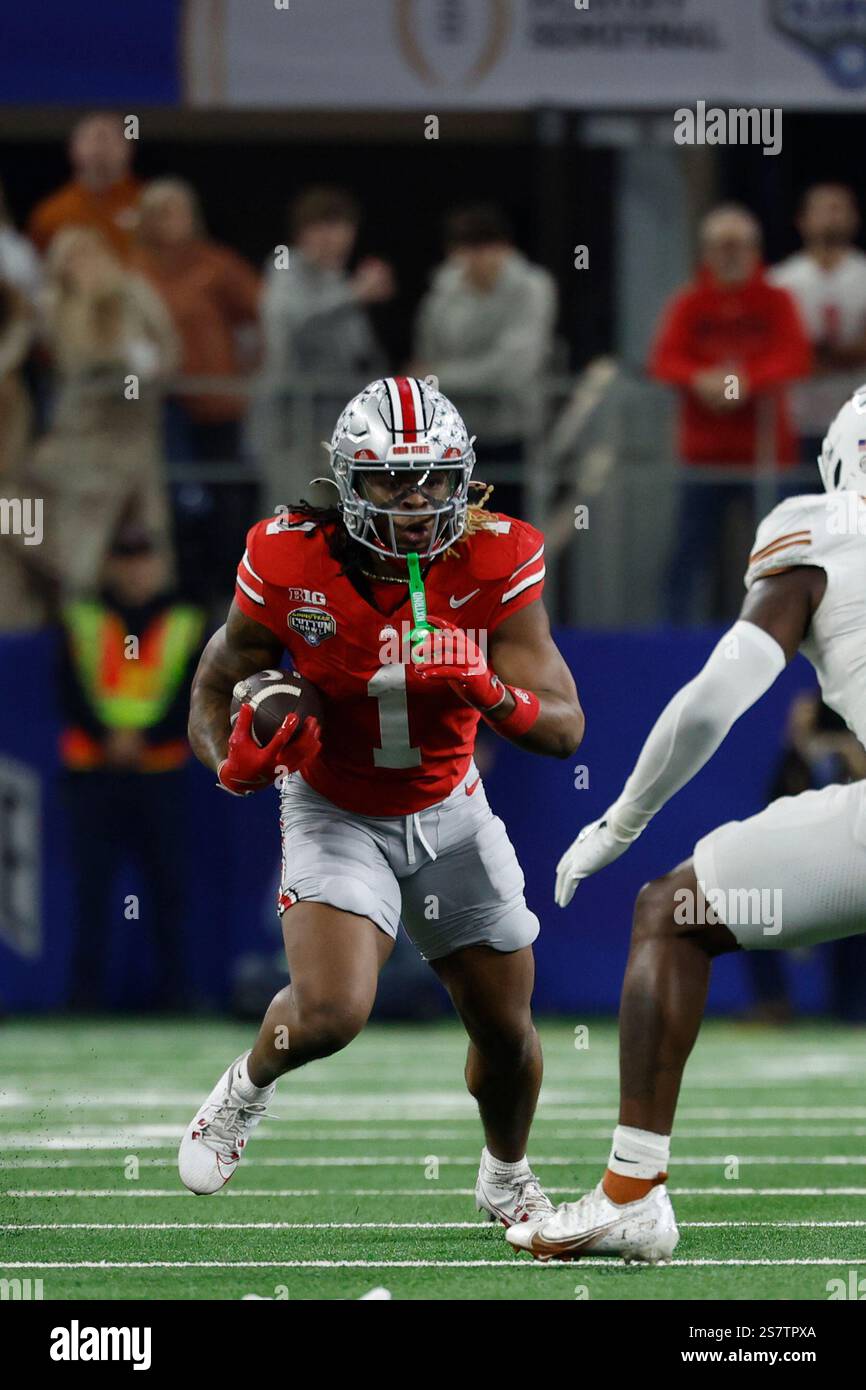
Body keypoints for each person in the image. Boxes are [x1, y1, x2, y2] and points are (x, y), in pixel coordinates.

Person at [180, 375, 585, 1227]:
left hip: (450, 805)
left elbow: (564, 729)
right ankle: (245, 1090)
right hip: (335, 805)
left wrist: (484, 686)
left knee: (507, 1033)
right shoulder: (287, 557)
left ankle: (506, 1174)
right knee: (330, 1013)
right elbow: (217, 678)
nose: (416, 499)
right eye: (391, 480)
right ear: (347, 482)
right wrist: (232, 765)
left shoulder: (498, 556)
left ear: (461, 476)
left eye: (434, 478)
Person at [507, 385, 866, 1262]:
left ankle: (632, 1193)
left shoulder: (823, 526)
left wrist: (624, 820)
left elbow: (713, 702)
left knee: (675, 913)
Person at [58, 525, 205, 1010]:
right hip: (92, 773)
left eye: (143, 556)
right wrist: (109, 738)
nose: (135, 567)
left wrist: (146, 737)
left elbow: (197, 692)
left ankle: (176, 994)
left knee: (169, 887)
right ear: (109, 564)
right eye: (124, 556)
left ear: (159, 564)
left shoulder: (186, 619)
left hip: (160, 771)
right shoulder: (82, 617)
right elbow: (67, 691)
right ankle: (86, 997)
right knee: (92, 888)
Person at [649, 204, 812, 623]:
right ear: (705, 251)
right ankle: (675, 640)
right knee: (688, 556)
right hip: (702, 456)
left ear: (755, 249)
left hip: (766, 455)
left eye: (738, 246)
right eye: (721, 246)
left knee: (778, 556)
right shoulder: (689, 302)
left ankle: (780, 634)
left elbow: (794, 357)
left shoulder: (777, 300)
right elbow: (664, 360)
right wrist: (703, 379)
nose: (730, 254)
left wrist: (742, 381)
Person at [29, 226, 178, 598]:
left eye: (89, 253)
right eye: (72, 260)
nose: (84, 266)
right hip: (85, 443)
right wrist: (117, 350)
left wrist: (148, 364)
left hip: (137, 437)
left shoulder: (136, 292)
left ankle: (157, 632)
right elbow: (77, 360)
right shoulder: (56, 304)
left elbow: (169, 349)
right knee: (82, 554)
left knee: (151, 539)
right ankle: (82, 635)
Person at [132, 178, 262, 601]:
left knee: (225, 507)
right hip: (157, 414)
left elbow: (261, 313)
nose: (171, 220)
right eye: (161, 210)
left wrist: (246, 370)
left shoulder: (217, 263)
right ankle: (176, 602)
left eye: (179, 209)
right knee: (168, 509)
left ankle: (231, 602)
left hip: (217, 409)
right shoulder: (133, 269)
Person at [411, 204, 557, 520]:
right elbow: (426, 356)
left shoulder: (532, 287)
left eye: (486, 249)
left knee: (508, 537)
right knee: (449, 537)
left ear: (505, 249)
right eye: (467, 251)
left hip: (513, 434)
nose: (478, 261)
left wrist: (441, 377)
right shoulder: (441, 295)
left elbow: (513, 371)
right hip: (454, 439)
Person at [258, 186, 393, 506]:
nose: (331, 238)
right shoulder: (284, 266)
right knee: (292, 518)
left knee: (342, 523)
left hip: (343, 429)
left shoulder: (339, 280)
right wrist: (355, 294)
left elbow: (356, 355)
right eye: (321, 228)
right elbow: (292, 323)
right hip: (294, 425)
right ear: (301, 234)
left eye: (340, 228)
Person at [770, 184, 866, 466]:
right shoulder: (780, 281)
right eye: (822, 210)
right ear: (802, 220)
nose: (831, 217)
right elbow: (775, 346)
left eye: (839, 209)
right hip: (797, 418)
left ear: (854, 218)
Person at [28, 112, 141, 260]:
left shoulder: (148, 204)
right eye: (93, 139)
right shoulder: (51, 213)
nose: (102, 147)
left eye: (113, 138)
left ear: (129, 148)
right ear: (72, 148)